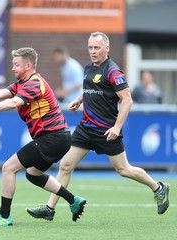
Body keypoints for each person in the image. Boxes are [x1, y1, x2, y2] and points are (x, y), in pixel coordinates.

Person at [30, 32, 170, 222]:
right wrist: (79, 100)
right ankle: (50, 208)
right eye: (90, 47)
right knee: (65, 165)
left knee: (123, 170)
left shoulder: (113, 72)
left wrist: (117, 127)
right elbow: (90, 89)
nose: (93, 51)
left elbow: (127, 100)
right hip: (86, 128)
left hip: (106, 130)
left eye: (97, 48)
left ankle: (158, 188)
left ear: (107, 48)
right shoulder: (88, 67)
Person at [0, 47, 87, 226]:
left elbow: (14, 102)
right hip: (57, 138)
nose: (13, 68)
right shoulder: (21, 83)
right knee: (33, 174)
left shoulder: (34, 83)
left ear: (28, 66)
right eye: (13, 64)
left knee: (8, 168)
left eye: (16, 65)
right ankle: (74, 200)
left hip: (52, 138)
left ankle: (4, 216)